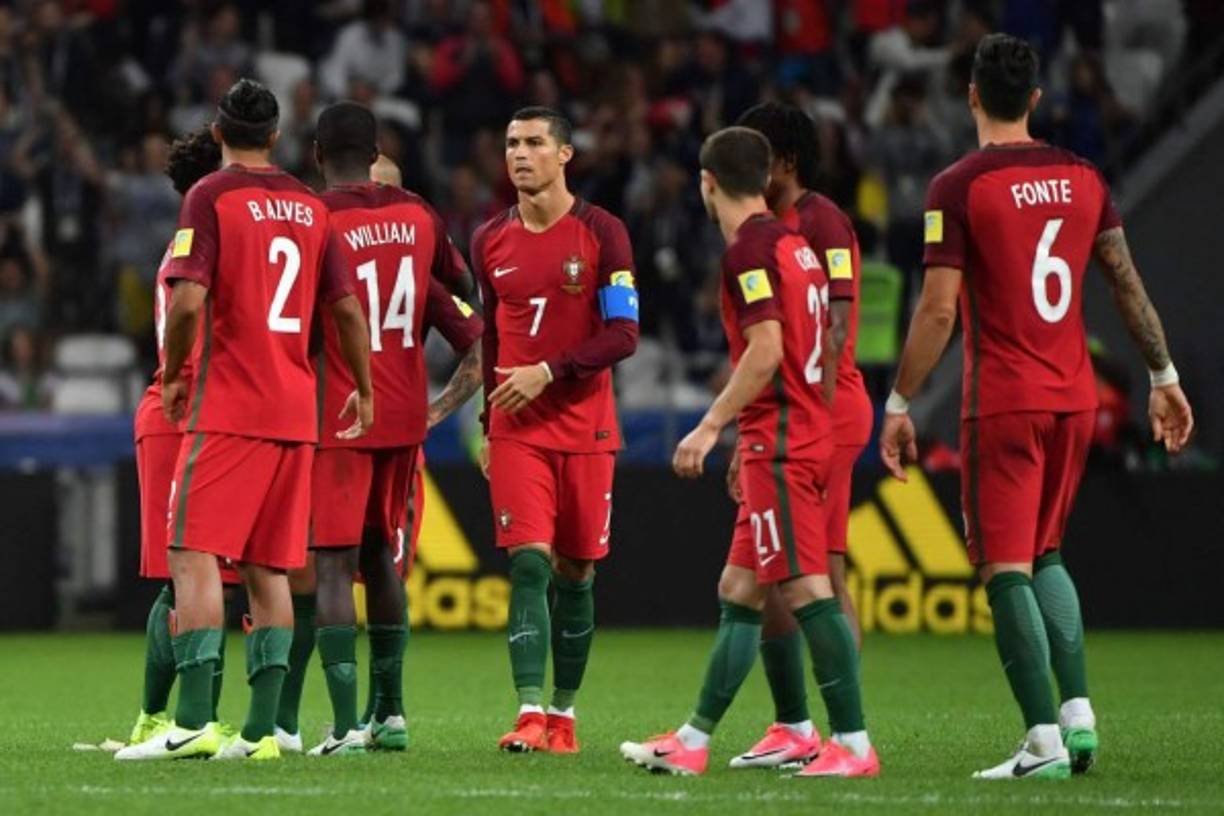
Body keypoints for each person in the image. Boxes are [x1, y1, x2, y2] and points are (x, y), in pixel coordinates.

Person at [879, 34, 1194, 779]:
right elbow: (1123, 280)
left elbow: (936, 313)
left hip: (1005, 402)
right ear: (1038, 99)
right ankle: (1078, 714)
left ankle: (1042, 740)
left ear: (972, 96)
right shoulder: (1083, 176)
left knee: (1002, 567)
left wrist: (898, 401)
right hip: (1075, 401)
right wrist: (1163, 374)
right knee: (1047, 554)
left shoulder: (958, 185)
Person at [116, 78, 373, 761]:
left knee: (192, 552)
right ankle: (259, 734)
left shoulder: (211, 195)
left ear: (220, 132)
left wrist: (173, 378)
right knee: (269, 569)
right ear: (279, 138)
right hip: (297, 407)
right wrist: (366, 389)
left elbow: (191, 302)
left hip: (231, 402)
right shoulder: (310, 205)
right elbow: (347, 311)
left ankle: (194, 719)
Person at [619, 127, 878, 779]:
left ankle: (852, 743)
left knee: (807, 590)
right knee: (738, 590)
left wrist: (710, 426)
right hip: (801, 431)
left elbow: (766, 349)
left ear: (708, 182)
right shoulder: (796, 247)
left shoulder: (747, 253)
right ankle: (695, 738)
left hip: (784, 441)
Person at [303, 101, 484, 756]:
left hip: (342, 412)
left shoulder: (316, 219)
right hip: (406, 417)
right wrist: (440, 407)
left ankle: (347, 724)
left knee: (332, 565)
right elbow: (468, 313)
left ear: (318, 154)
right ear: (376, 148)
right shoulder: (419, 215)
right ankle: (393, 715)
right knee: (382, 557)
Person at [471, 106, 638, 753]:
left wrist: (550, 370)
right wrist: (489, 416)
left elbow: (623, 334)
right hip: (517, 430)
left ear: (565, 154)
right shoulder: (490, 240)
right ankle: (530, 712)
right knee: (529, 565)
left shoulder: (603, 233)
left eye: (535, 142)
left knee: (577, 573)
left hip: (588, 429)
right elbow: (489, 341)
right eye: (512, 142)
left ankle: (564, 718)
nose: (520, 153)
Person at [719, 101, 873, 769]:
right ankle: (800, 726)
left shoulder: (822, 221)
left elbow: (834, 328)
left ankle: (842, 732)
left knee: (815, 574)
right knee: (778, 572)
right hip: (789, 413)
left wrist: (803, 416)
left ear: (784, 160)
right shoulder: (770, 230)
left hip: (824, 413)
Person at [125, 127, 243, 749]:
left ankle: (164, 717)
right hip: (182, 413)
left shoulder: (189, 245)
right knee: (198, 577)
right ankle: (186, 718)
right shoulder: (202, 250)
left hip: (189, 413)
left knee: (193, 577)